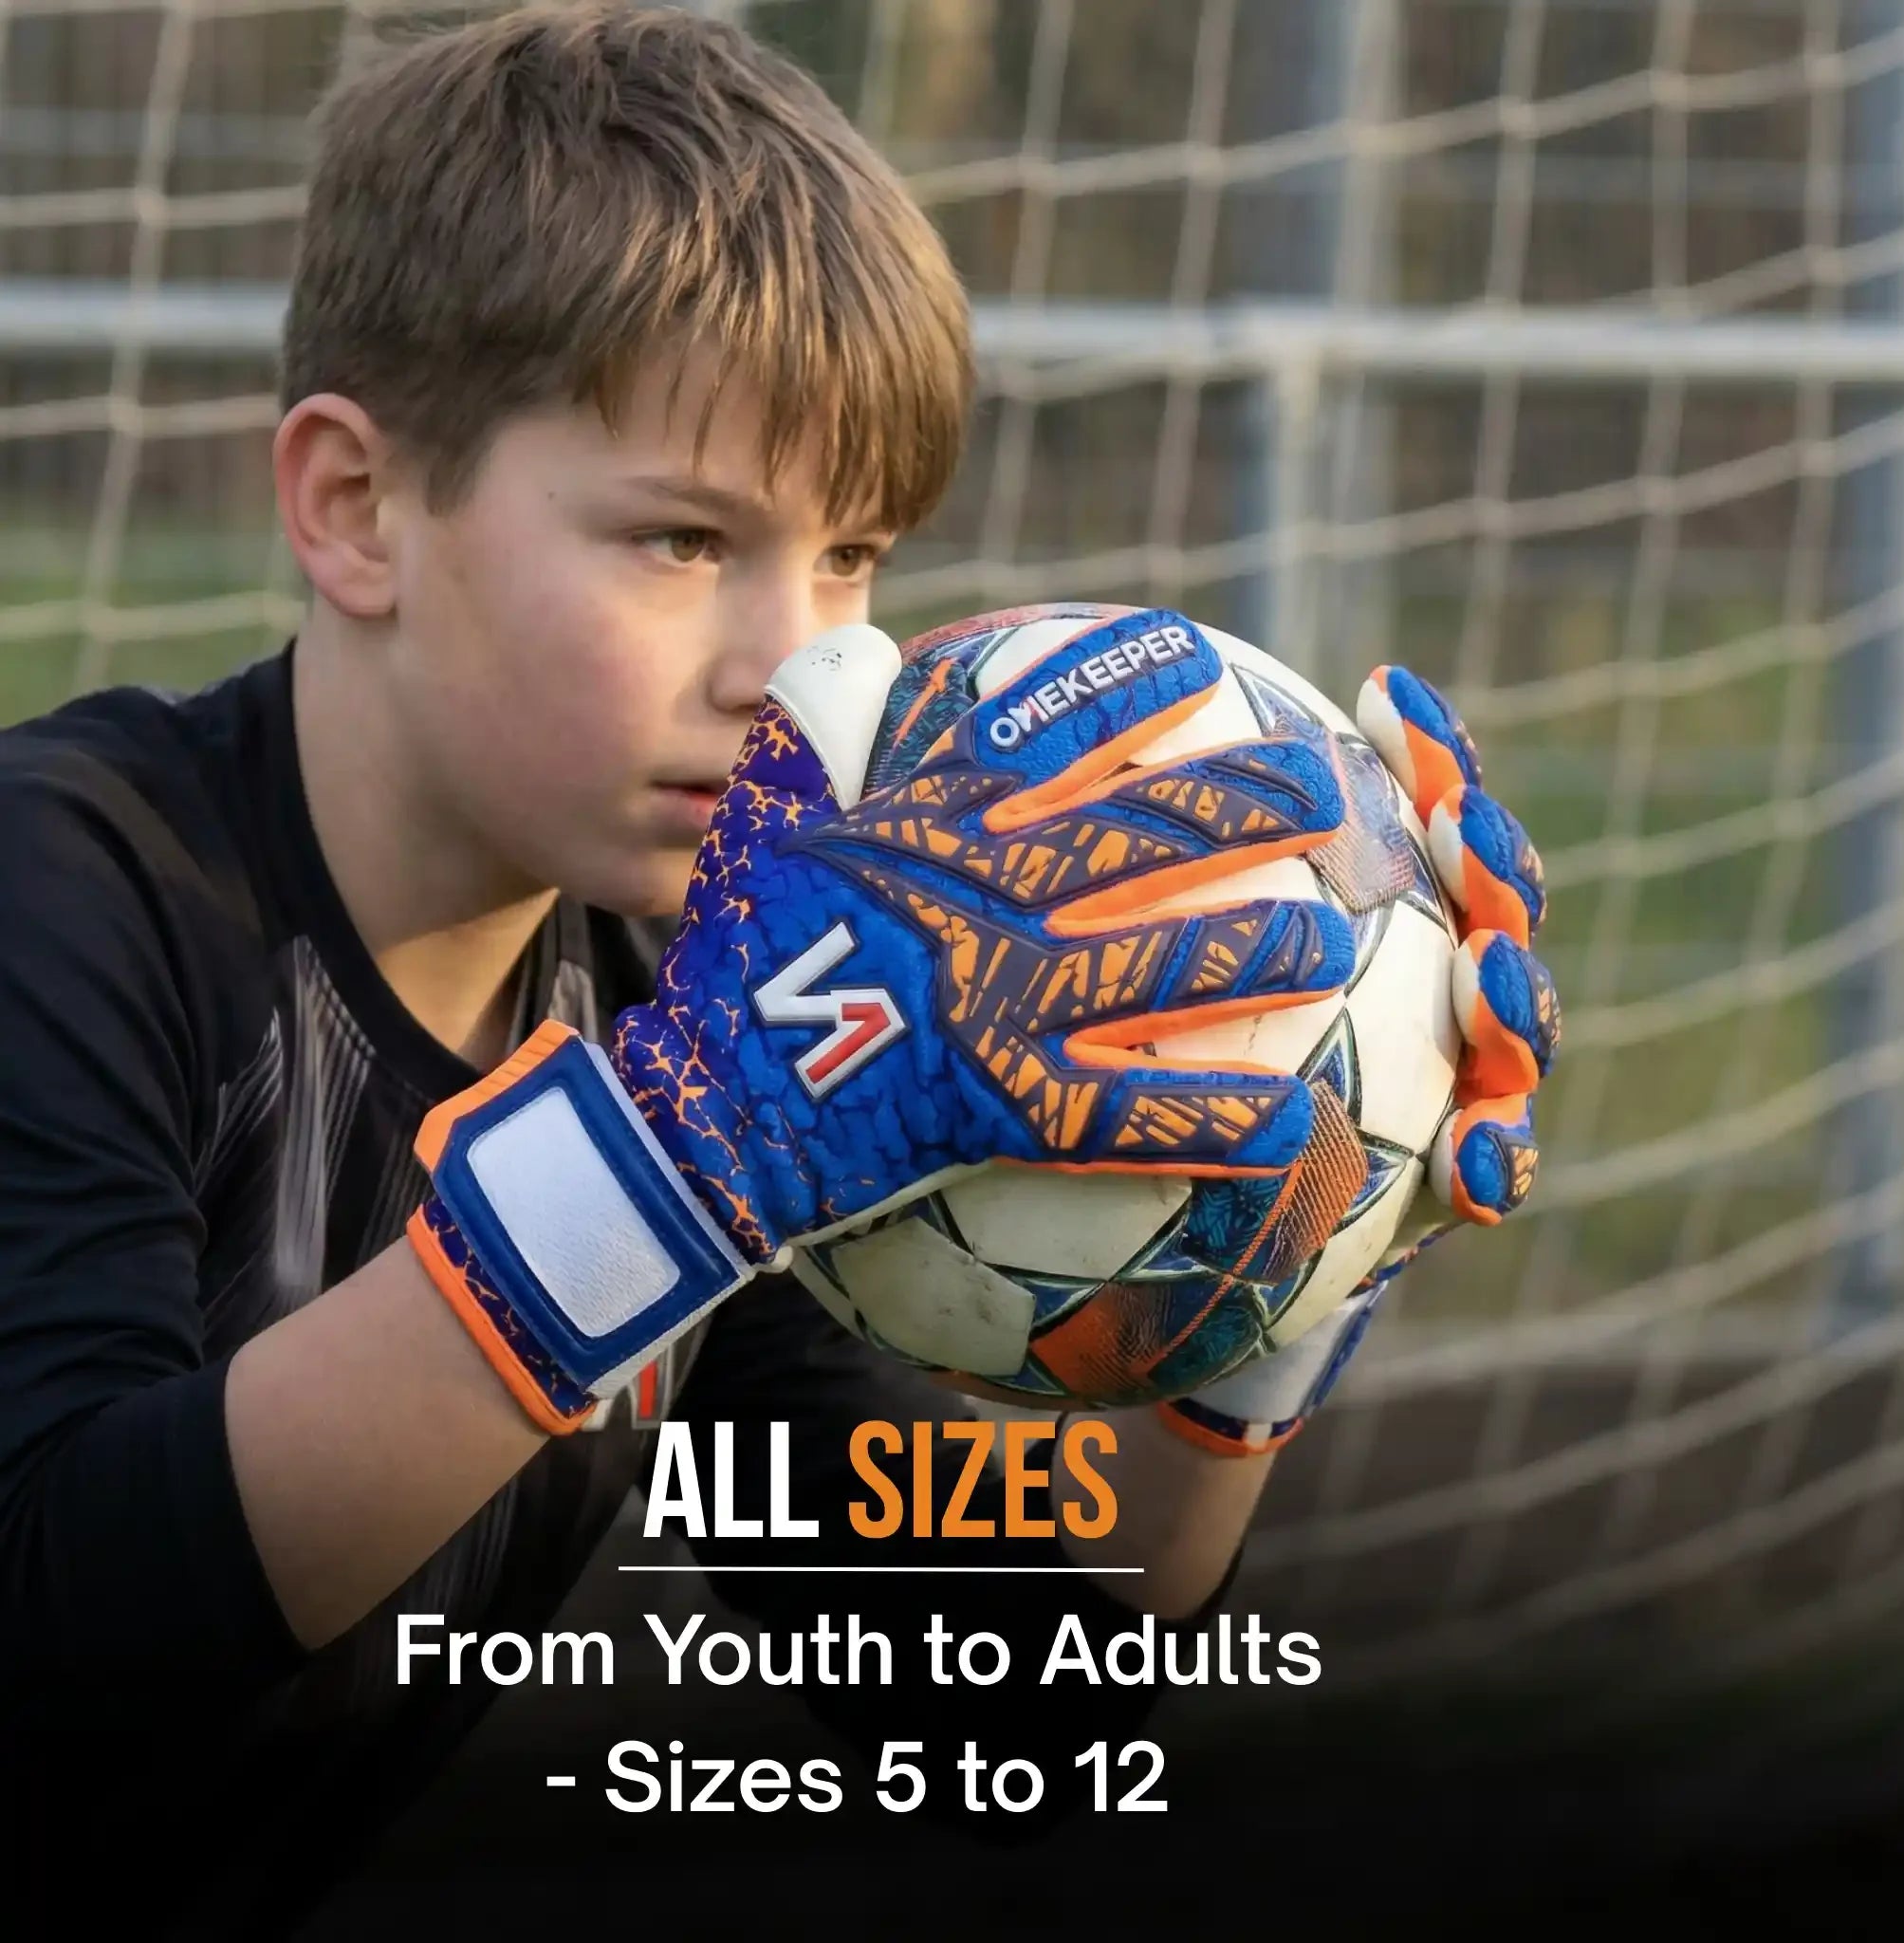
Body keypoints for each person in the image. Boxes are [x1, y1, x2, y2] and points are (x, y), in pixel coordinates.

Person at [0, 7, 1558, 1934]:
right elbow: (60, 1623)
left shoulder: (697, 990)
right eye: (679, 538)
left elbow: (1010, 1717)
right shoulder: (70, 892)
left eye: (851, 558)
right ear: (352, 507)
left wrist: (1284, 1245)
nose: (794, 665)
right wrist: (670, 1168)